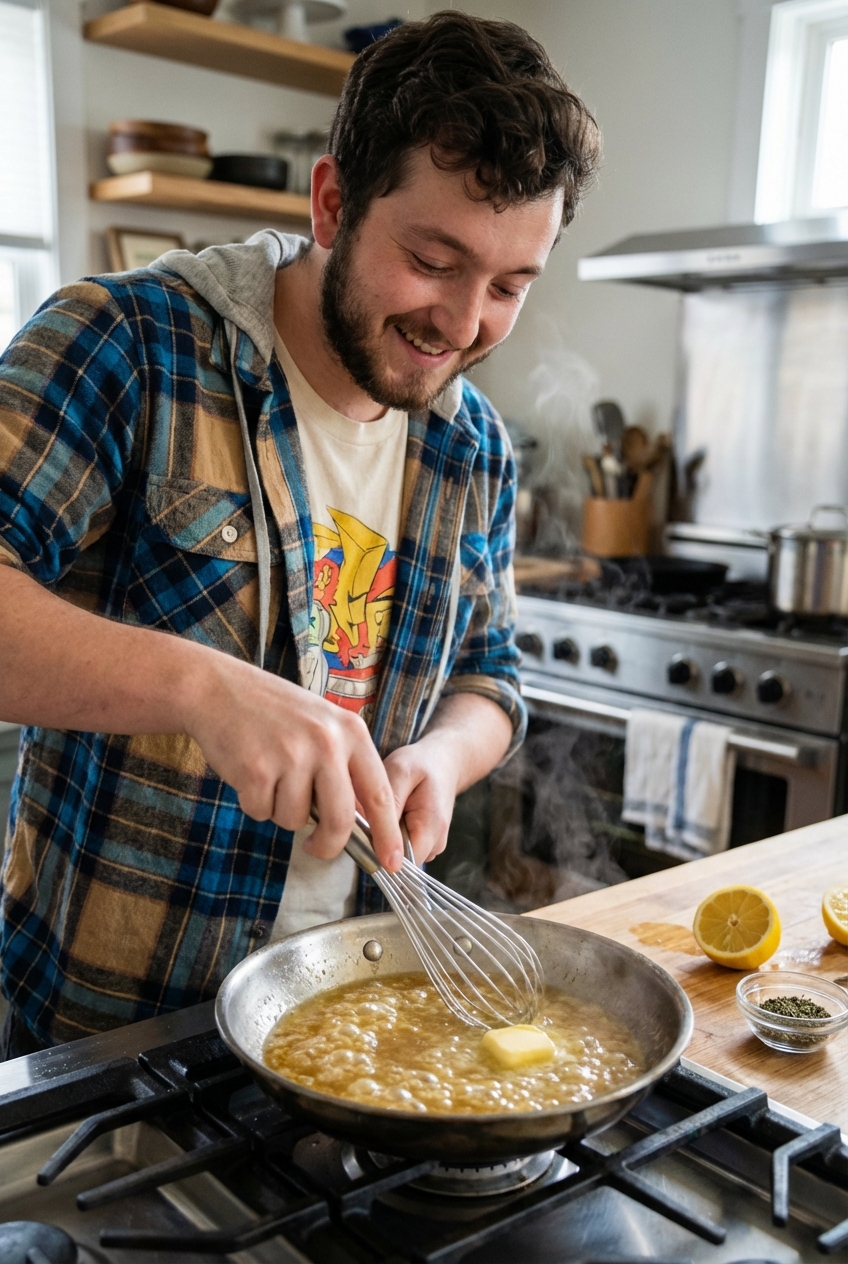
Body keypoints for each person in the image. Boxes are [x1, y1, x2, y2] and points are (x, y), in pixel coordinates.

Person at [0, 10, 600, 1056]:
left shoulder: (474, 452)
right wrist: (199, 686)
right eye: (431, 259)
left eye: (507, 286)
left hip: (344, 1027)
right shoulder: (127, 344)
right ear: (332, 202)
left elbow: (492, 675)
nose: (462, 326)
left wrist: (441, 760)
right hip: (106, 1031)